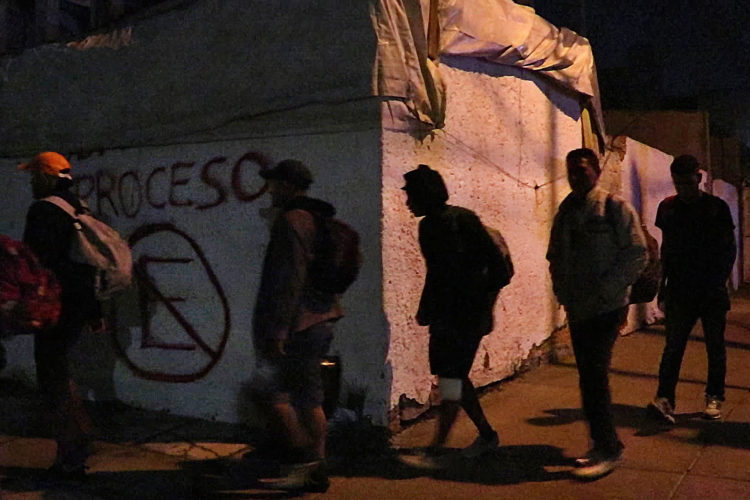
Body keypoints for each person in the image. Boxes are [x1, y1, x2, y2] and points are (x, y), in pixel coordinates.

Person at [547, 148, 647, 480]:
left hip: (605, 308)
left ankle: (609, 448)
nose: (576, 175)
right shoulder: (565, 211)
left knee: (594, 377)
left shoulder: (614, 207)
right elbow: (555, 255)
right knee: (589, 378)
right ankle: (600, 444)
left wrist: (608, 291)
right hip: (578, 309)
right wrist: (562, 291)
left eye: (583, 169)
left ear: (596, 172)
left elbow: (637, 252)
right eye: (571, 170)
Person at [252, 159, 347, 492]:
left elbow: (287, 280)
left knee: (285, 397)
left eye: (275, 183)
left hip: (299, 325)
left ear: (287, 186)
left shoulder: (292, 221)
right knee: (302, 397)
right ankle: (312, 466)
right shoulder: (317, 219)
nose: (270, 190)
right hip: (318, 319)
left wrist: (277, 330)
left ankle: (308, 464)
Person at [402, 164, 504, 468]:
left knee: (451, 380)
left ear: (425, 194)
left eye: (411, 194)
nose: (407, 201)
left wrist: (480, 305)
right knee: (454, 379)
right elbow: (437, 274)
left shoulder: (462, 220)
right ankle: (486, 435)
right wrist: (427, 308)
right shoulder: (428, 226)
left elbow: (498, 269)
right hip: (446, 317)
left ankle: (436, 451)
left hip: (466, 317)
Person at [19, 152, 99, 480]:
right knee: (60, 370)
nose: (31, 182)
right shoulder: (77, 207)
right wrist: (94, 310)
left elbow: (35, 264)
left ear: (47, 177)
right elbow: (87, 263)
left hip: (54, 307)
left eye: (34, 176)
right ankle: (81, 438)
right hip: (78, 305)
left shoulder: (43, 211)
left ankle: (70, 457)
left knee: (51, 379)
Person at [647, 155, 736, 424]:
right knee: (673, 347)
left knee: (715, 346)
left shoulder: (716, 207)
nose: (683, 188)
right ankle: (665, 399)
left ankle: (714, 397)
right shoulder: (668, 208)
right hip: (680, 288)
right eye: (678, 183)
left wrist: (719, 280)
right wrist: (662, 286)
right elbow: (667, 248)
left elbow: (729, 248)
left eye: (687, 182)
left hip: (710, 288)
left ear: (699, 178)